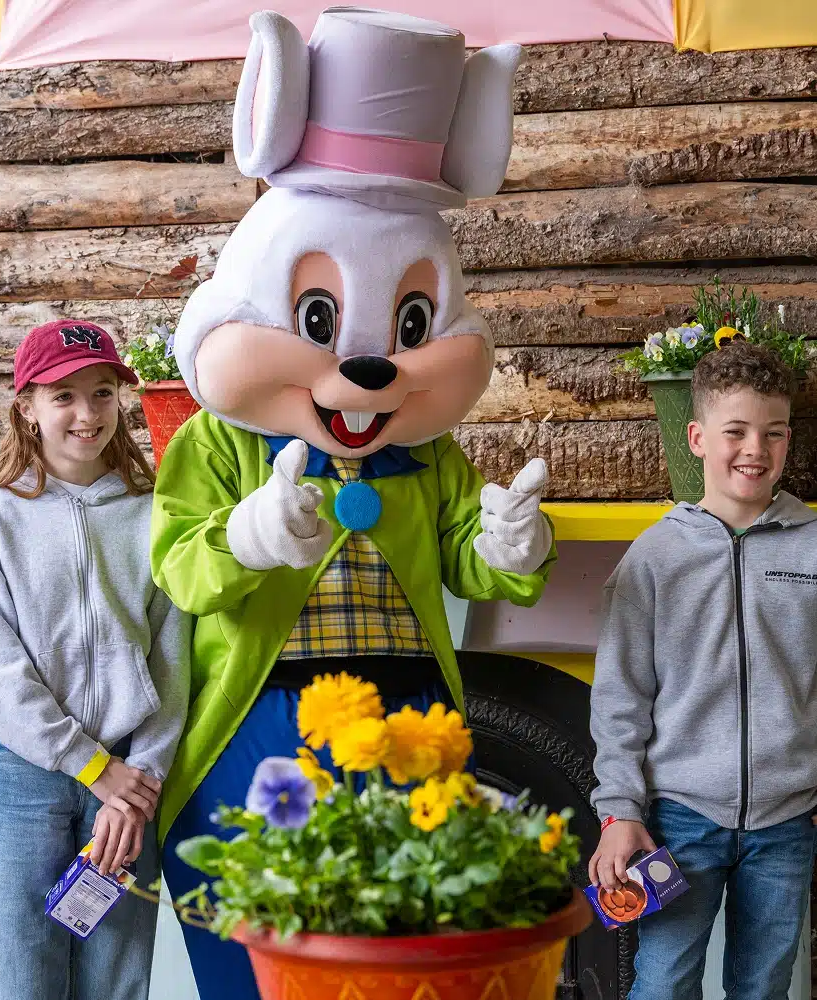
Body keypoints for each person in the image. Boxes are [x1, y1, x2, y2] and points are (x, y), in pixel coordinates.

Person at [148, 10, 555, 1000]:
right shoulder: (217, 443)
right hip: (263, 716)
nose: (370, 364)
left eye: (413, 322)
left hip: (410, 708)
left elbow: (469, 557)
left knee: (399, 939)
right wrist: (247, 536)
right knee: (263, 937)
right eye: (320, 318)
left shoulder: (428, 453)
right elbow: (180, 566)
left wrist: (509, 540)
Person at [0, 319, 191, 1000]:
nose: (87, 414)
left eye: (103, 393)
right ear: (26, 405)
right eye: (64, 396)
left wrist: (135, 780)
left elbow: (173, 658)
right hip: (24, 778)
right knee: (20, 979)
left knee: (115, 978)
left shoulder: (154, 514)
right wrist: (92, 768)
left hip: (128, 776)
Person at [589, 340, 817, 999]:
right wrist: (620, 811)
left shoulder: (810, 547)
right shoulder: (654, 558)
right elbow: (620, 697)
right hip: (678, 820)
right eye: (736, 431)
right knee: (662, 983)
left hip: (787, 822)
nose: (755, 449)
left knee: (765, 985)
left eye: (773, 433)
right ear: (696, 437)